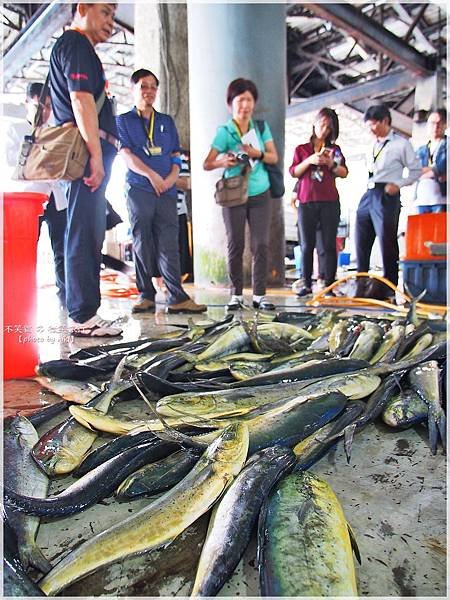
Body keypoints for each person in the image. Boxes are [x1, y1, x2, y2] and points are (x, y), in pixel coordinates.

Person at [49, 2, 122, 336]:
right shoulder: (76, 44)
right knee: (83, 233)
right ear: (83, 8)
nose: (110, 21)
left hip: (86, 153)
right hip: (83, 154)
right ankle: (83, 317)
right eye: (105, 11)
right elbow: (81, 100)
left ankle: (81, 310)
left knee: (85, 231)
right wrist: (96, 155)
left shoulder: (78, 48)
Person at [116, 69, 206, 314]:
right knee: (142, 241)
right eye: (143, 86)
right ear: (133, 90)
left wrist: (172, 178)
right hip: (139, 189)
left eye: (153, 87)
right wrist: (152, 175)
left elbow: (175, 155)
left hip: (166, 190)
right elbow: (126, 154)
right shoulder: (123, 121)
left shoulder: (166, 121)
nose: (148, 91)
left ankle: (176, 296)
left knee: (169, 244)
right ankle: (146, 295)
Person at [203, 78, 279, 311]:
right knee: (235, 243)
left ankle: (259, 295)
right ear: (230, 104)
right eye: (239, 100)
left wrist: (257, 152)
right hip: (234, 193)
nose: (244, 105)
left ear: (254, 103)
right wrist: (223, 161)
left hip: (260, 191)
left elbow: (273, 157)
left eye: (248, 99)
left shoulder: (261, 128)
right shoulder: (225, 132)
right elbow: (206, 163)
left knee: (261, 245)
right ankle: (235, 295)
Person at [3, 82, 67, 306]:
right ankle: (21, 296)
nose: (45, 111)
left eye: (49, 106)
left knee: (61, 249)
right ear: (27, 103)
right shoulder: (16, 130)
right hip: (28, 200)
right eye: (40, 105)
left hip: (56, 199)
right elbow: (14, 166)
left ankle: (66, 295)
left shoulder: (56, 131)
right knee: (26, 249)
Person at [355, 104, 422, 300]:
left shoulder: (401, 144)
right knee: (361, 237)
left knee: (387, 240)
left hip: (387, 194)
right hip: (368, 192)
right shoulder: (370, 145)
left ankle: (389, 287)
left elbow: (416, 171)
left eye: (374, 124)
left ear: (385, 121)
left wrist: (398, 184)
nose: (371, 129)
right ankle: (361, 282)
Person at [289, 107, 348, 297]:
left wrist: (330, 164)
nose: (323, 129)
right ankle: (306, 282)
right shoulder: (302, 149)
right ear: (314, 124)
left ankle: (328, 283)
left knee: (329, 244)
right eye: (321, 124)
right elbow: (294, 172)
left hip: (329, 201)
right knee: (307, 244)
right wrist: (310, 160)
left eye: (328, 127)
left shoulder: (334, 150)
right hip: (307, 201)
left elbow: (344, 172)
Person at [414, 108, 447, 214]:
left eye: (439, 123)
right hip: (422, 199)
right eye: (432, 123)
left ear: (445, 125)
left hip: (442, 199)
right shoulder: (421, 149)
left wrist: (431, 171)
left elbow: (441, 168)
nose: (436, 127)